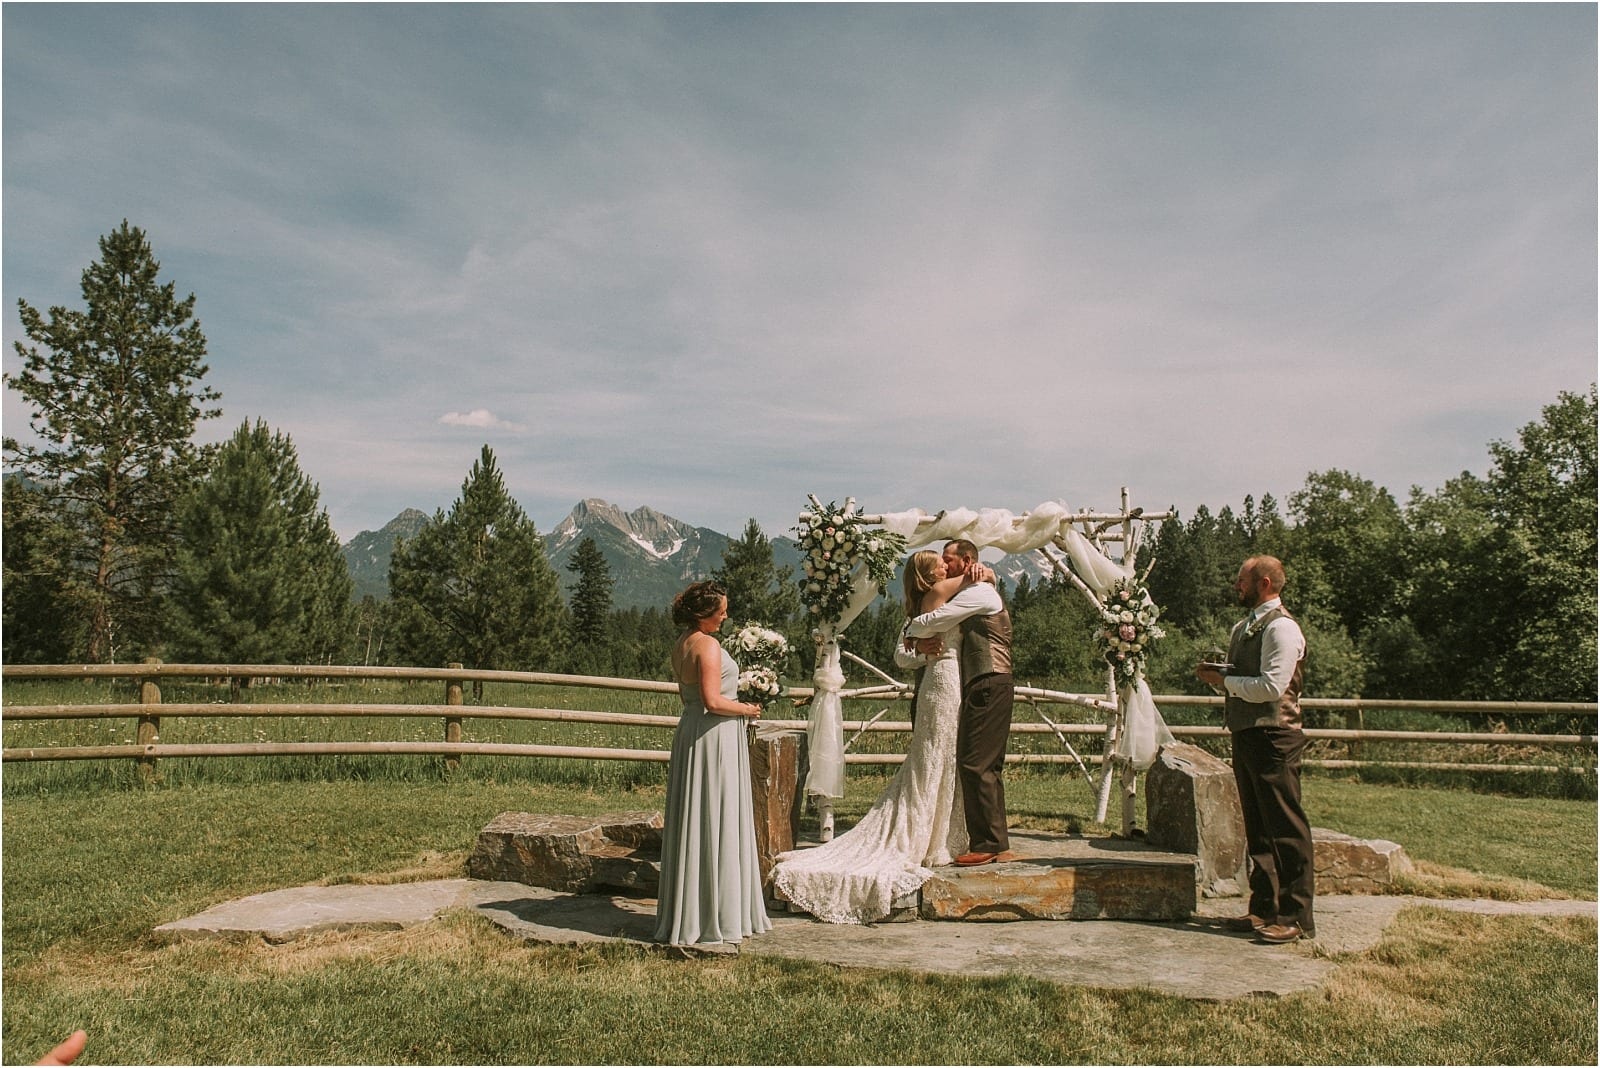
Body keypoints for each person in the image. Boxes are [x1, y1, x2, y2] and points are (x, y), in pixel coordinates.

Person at [769, 550, 974, 923]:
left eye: (947, 562)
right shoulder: (935, 596)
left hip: (951, 681)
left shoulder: (941, 599)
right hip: (941, 682)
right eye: (939, 564)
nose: (946, 566)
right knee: (932, 758)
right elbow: (900, 656)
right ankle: (928, 835)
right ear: (928, 575)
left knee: (946, 757)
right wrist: (922, 653)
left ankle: (942, 833)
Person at [1195, 555, 1314, 945]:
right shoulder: (1246, 626)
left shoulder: (1281, 629)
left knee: (1285, 826)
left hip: (1276, 735)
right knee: (1259, 828)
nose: (1236, 586)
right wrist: (1220, 676)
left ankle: (1296, 916)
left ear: (1264, 583)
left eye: (1242, 580)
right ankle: (1263, 908)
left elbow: (1270, 688)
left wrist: (1226, 683)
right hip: (1249, 732)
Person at [653, 580, 772, 946]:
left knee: (699, 814)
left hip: (692, 731)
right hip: (714, 733)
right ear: (704, 613)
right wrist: (748, 708)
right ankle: (716, 915)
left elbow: (691, 698)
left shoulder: (682, 643)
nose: (725, 615)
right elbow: (713, 700)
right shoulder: (708, 644)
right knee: (717, 814)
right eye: (721, 610)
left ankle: (692, 908)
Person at [905, 539, 1015, 866]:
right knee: (985, 764)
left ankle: (987, 844)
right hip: (984, 681)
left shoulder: (977, 592)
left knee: (974, 761)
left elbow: (935, 621)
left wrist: (913, 628)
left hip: (988, 679)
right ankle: (997, 843)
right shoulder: (973, 588)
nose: (944, 566)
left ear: (966, 561)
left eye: (949, 561)